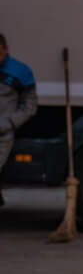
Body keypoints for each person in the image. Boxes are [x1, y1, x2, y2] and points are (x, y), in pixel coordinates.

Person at [0, 32, 37, 209]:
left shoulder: (20, 72)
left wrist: (10, 123)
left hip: (2, 132)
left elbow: (30, 105)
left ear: (6, 50)